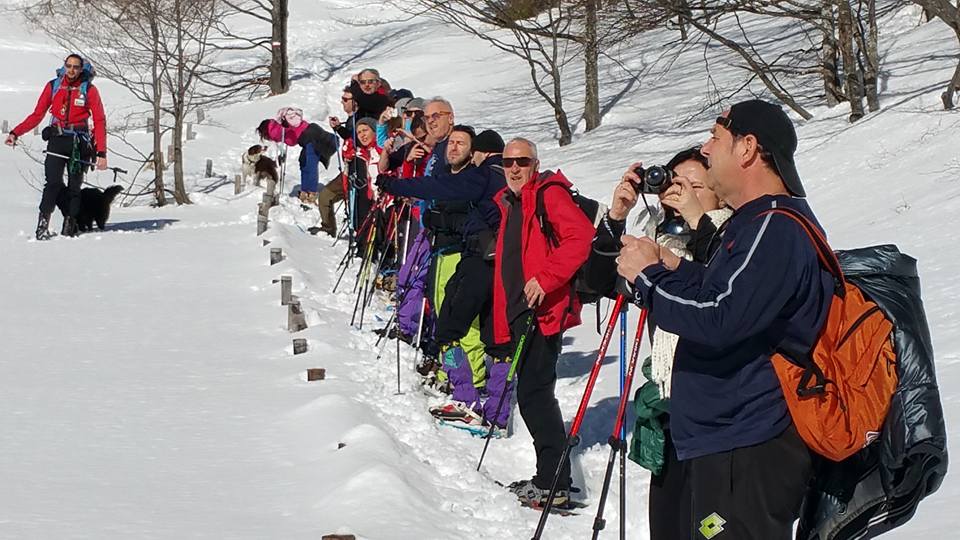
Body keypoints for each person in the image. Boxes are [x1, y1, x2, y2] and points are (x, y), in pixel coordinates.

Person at [615, 99, 832, 539]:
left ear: (748, 148)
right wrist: (672, 267)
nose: (705, 148)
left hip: (748, 443)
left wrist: (647, 278)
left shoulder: (775, 226)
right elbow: (724, 293)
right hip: (725, 442)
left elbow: (720, 318)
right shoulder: (753, 224)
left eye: (716, 137)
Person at [585, 146, 732, 538]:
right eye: (675, 183)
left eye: (697, 185)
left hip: (719, 414)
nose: (684, 193)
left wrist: (697, 221)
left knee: (710, 528)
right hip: (669, 405)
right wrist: (617, 216)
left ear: (719, 192)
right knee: (667, 524)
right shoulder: (654, 241)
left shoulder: (733, 236)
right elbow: (597, 283)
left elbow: (718, 285)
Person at [379, 129, 508, 429]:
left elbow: (440, 190)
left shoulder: (483, 174)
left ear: (480, 151)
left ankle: (467, 394)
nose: (461, 150)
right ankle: (493, 412)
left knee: (452, 328)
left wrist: (394, 185)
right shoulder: (504, 178)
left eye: (466, 146)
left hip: (474, 259)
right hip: (493, 263)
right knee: (494, 337)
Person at [491, 138, 594, 507]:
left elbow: (581, 237)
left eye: (522, 161)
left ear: (535, 163)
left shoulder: (548, 193)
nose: (514, 168)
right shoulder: (512, 200)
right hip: (523, 309)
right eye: (508, 162)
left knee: (535, 395)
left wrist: (546, 279)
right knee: (533, 393)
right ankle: (551, 478)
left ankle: (553, 482)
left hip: (542, 309)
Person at [5, 53, 108, 239]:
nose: (71, 70)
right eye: (69, 66)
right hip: (57, 140)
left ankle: (70, 224)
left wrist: (101, 152)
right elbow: (37, 114)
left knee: (74, 186)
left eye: (76, 67)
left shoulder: (89, 90)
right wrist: (15, 133)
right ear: (64, 66)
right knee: (52, 183)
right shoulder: (53, 86)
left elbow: (99, 120)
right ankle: (42, 224)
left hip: (79, 143)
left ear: (81, 69)